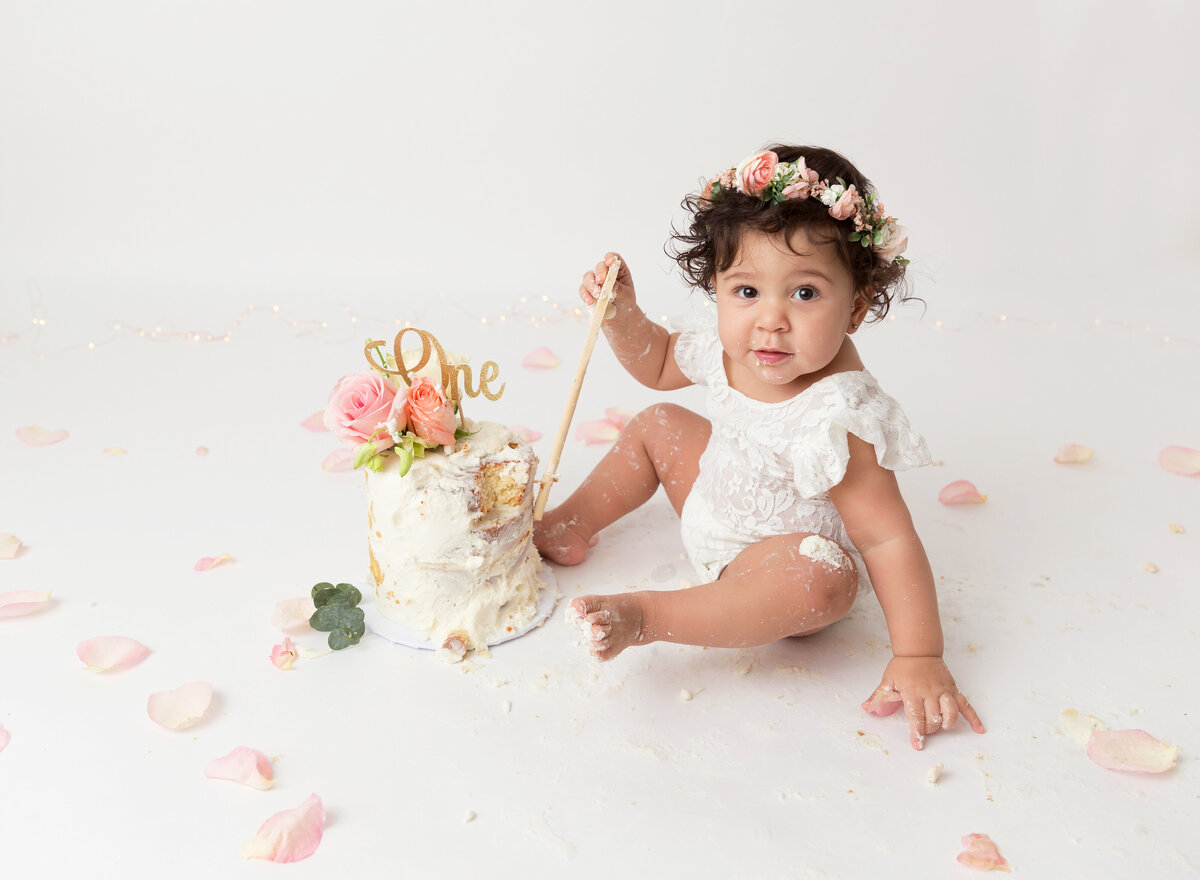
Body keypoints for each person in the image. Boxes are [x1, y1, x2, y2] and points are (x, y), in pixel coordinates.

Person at [533, 144, 984, 751]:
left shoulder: (839, 412)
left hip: (773, 564)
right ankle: (569, 522)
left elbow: (886, 537)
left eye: (803, 294)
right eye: (746, 291)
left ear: (855, 306)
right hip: (714, 504)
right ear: (715, 286)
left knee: (826, 582)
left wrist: (920, 653)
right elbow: (660, 361)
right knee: (660, 421)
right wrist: (621, 315)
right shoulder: (729, 351)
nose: (770, 320)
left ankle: (649, 616)